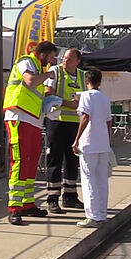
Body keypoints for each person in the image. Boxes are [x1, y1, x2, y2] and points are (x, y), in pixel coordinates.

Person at [3, 41, 59, 226]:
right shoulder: (26, 62)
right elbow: (30, 81)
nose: (52, 61)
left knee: (31, 162)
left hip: (33, 120)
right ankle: (14, 208)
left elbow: (35, 92)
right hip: (18, 117)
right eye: (51, 56)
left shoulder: (36, 67)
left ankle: (27, 204)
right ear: (42, 54)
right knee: (19, 161)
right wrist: (48, 75)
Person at [43, 48, 87, 214]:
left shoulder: (83, 76)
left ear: (77, 61)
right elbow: (49, 93)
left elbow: (86, 98)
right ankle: (52, 198)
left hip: (76, 123)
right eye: (64, 58)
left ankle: (70, 196)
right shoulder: (55, 71)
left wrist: (71, 103)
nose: (64, 61)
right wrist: (68, 103)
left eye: (69, 59)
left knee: (72, 161)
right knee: (55, 158)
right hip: (57, 121)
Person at [72, 68, 113, 228]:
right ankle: (102, 214)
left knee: (88, 179)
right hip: (103, 144)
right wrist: (107, 139)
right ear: (100, 81)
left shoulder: (86, 96)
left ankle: (92, 216)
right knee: (102, 179)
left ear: (86, 81)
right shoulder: (104, 97)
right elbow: (109, 121)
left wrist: (76, 140)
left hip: (89, 143)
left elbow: (85, 117)